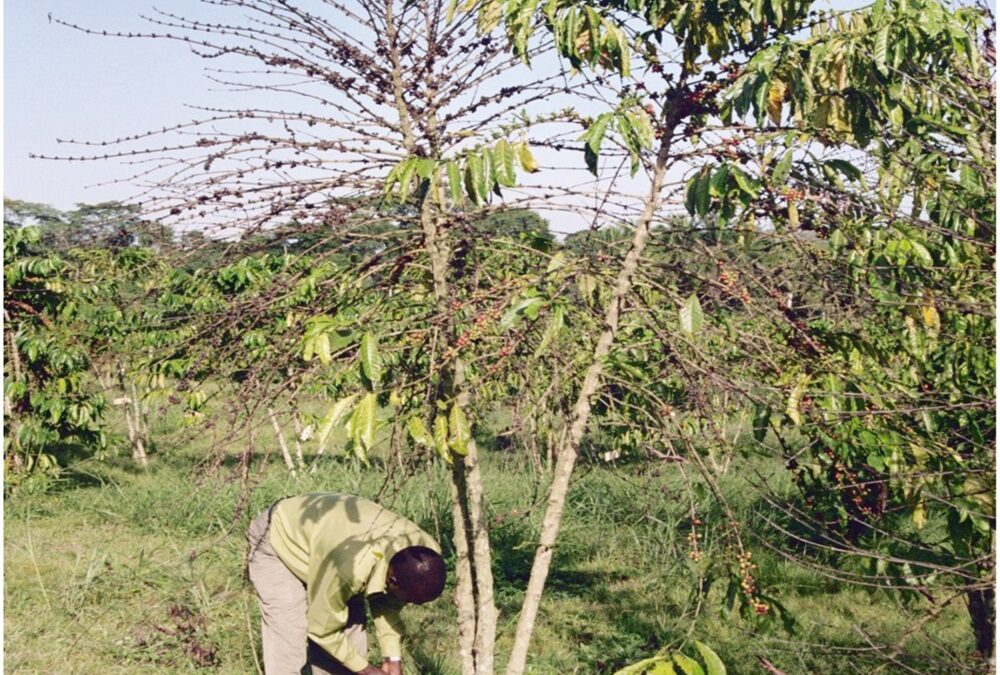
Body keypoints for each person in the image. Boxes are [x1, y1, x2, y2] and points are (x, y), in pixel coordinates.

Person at [247, 492, 446, 675]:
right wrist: (368, 671)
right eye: (411, 600)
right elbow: (322, 630)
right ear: (392, 581)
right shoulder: (351, 569)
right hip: (280, 537)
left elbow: (388, 603)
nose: (411, 605)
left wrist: (392, 658)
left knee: (349, 647)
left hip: (329, 543)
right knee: (289, 639)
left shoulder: (423, 553)